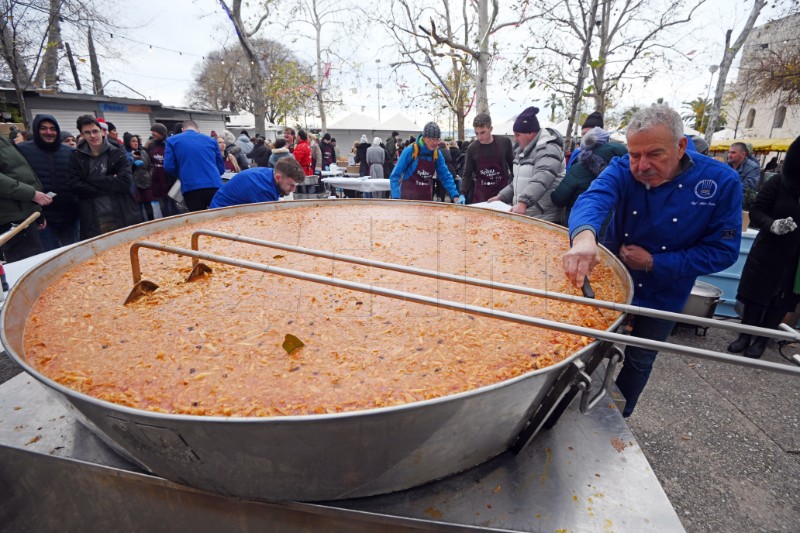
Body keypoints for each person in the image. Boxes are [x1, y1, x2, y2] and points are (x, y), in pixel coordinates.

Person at [562, 105, 742, 418]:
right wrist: (585, 237)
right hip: (612, 283)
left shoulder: (722, 182)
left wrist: (654, 263)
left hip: (665, 291)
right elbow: (593, 198)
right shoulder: (621, 168)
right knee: (588, 348)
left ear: (681, 146)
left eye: (655, 154)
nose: (642, 166)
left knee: (640, 359)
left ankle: (619, 418)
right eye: (635, 155)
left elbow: (722, 250)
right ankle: (567, 409)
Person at [728, 135, 800, 358]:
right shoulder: (778, 182)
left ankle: (762, 339)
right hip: (770, 249)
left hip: (796, 257)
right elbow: (757, 212)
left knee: (781, 300)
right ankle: (745, 335)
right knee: (756, 295)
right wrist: (773, 225)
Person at [68, 115, 142, 239]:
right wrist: (111, 181)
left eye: (95, 131)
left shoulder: (117, 153)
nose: (92, 136)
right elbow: (74, 185)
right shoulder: (76, 157)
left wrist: (90, 179)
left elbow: (125, 182)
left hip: (122, 212)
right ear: (82, 134)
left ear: (102, 131)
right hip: (93, 216)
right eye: (87, 132)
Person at [487, 106, 565, 222]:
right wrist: (501, 197)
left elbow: (541, 178)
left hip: (544, 218)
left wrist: (523, 203)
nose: (515, 139)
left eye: (517, 135)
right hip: (528, 215)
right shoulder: (522, 151)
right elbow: (518, 182)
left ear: (530, 133)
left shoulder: (548, 149)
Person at [17, 114, 80, 250]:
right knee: (49, 257)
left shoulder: (70, 152)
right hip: (42, 218)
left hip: (70, 215)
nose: (49, 132)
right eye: (44, 128)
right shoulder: (23, 150)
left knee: (74, 254)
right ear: (36, 130)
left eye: (52, 129)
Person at [550, 126, 627, 227]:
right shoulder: (626, 166)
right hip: (613, 231)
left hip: (578, 227)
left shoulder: (579, 168)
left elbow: (559, 200)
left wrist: (550, 193)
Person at [0, 134, 51, 262]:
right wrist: (31, 194)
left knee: (37, 263)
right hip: (11, 220)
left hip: (25, 214)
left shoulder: (3, 139)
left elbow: (20, 172)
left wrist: (36, 211)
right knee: (27, 268)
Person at [389, 122, 465, 204]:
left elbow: (445, 176)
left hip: (426, 201)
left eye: (437, 139)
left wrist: (455, 195)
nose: (435, 143)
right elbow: (394, 176)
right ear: (424, 138)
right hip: (407, 200)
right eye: (432, 139)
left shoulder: (437, 154)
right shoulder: (410, 151)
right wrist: (396, 198)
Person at [164, 119, 225, 211]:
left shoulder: (172, 141)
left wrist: (182, 175)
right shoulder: (211, 140)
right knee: (219, 217)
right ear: (198, 130)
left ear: (183, 129)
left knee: (198, 219)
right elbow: (220, 167)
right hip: (214, 184)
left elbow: (169, 167)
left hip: (190, 187)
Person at [209, 157, 306, 209]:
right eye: (291, 185)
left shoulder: (271, 174)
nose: (293, 190)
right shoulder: (262, 188)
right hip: (220, 215)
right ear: (278, 178)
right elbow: (267, 220)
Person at [459, 113, 514, 204]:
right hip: (481, 196)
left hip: (502, 195)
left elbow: (513, 168)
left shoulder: (504, 143)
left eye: (483, 132)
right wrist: (462, 193)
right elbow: (467, 174)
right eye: (477, 133)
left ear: (490, 129)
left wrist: (513, 188)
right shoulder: (472, 148)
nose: (479, 137)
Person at [143, 123, 177, 217]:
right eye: (152, 132)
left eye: (155, 132)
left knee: (173, 205)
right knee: (163, 206)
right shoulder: (152, 145)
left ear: (161, 133)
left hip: (169, 180)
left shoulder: (169, 144)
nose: (153, 134)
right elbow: (148, 161)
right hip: (157, 181)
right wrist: (144, 148)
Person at [125, 135, 157, 220]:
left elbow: (150, 165)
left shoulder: (143, 152)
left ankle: (151, 221)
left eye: (136, 141)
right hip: (135, 183)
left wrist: (150, 174)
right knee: (138, 206)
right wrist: (133, 163)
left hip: (146, 181)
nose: (135, 143)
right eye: (133, 141)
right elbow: (126, 170)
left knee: (148, 205)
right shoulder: (126, 154)